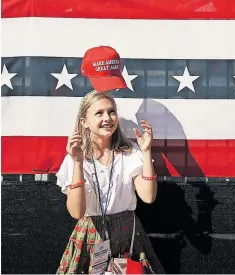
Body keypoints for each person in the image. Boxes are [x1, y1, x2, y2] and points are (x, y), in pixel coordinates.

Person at [55, 90, 165, 274]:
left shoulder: (130, 152)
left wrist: (146, 152)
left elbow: (148, 196)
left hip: (127, 233)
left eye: (111, 111)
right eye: (99, 113)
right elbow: (76, 212)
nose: (107, 118)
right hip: (90, 236)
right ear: (84, 122)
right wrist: (77, 163)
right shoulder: (75, 157)